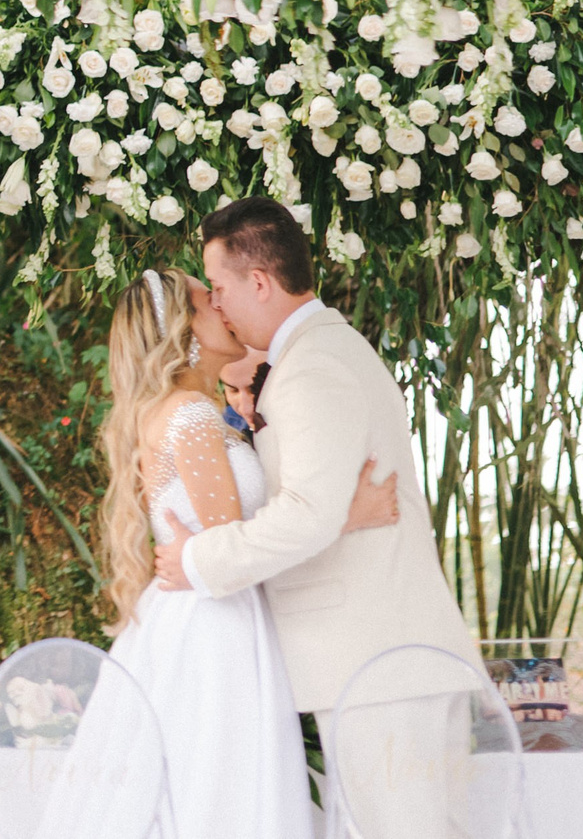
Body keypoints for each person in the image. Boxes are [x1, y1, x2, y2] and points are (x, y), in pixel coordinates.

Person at [153, 198, 478, 839]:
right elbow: (319, 502)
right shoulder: (314, 355)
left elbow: (305, 515)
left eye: (218, 288)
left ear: (260, 282)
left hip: (379, 663)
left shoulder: (313, 367)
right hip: (378, 661)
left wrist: (196, 560)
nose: (216, 304)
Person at [80, 267, 401, 839]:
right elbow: (236, 544)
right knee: (223, 787)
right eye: (209, 302)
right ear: (185, 327)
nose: (223, 308)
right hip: (215, 622)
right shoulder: (192, 414)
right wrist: (350, 515)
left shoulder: (185, 410)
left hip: (199, 609)